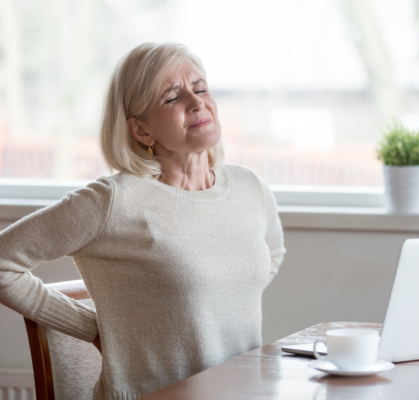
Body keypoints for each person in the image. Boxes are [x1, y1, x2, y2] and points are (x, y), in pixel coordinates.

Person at [0, 42, 286, 400]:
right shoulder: (114, 201)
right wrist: (92, 328)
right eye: (172, 97)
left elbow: (272, 253)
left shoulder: (250, 187)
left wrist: (221, 292)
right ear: (141, 130)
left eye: (200, 89)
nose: (197, 103)